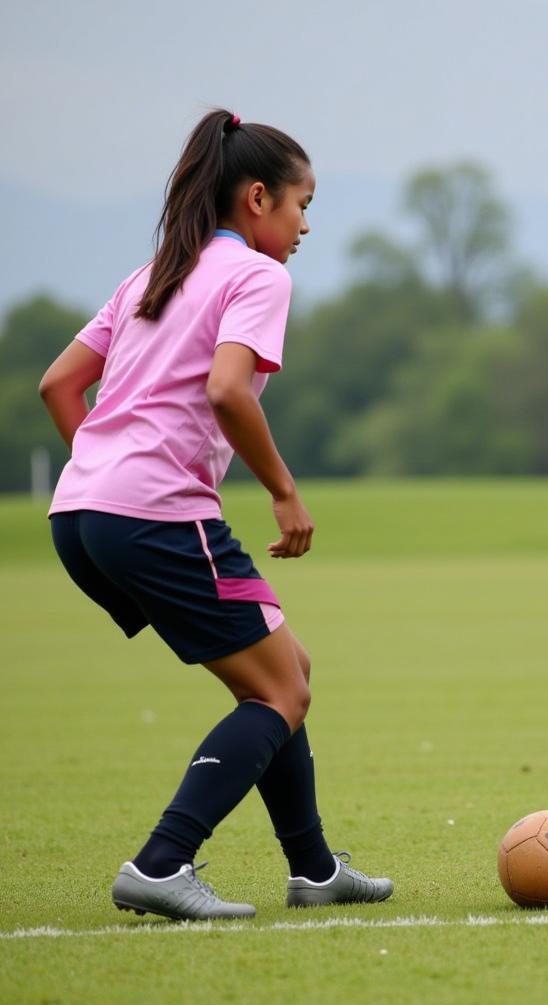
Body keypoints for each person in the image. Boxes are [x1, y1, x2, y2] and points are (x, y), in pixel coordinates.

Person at [39, 109, 392, 921]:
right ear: (259, 198)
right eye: (304, 204)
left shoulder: (152, 272)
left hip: (81, 517)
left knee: (286, 672)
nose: (307, 225)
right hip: (157, 517)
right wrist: (283, 489)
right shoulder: (257, 277)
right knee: (277, 695)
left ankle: (313, 868)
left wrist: (99, 468)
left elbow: (58, 387)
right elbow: (227, 389)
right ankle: (163, 864)